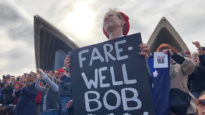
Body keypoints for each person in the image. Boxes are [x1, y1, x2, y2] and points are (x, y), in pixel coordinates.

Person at [64, 9, 150, 109]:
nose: (106, 18)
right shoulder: (93, 55)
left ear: (122, 22)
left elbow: (146, 82)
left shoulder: (136, 47)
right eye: (105, 18)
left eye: (110, 15)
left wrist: (144, 62)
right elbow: (91, 83)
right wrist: (74, 70)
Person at [156, 43, 196, 115]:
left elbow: (191, 65)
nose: (164, 52)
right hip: (164, 106)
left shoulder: (180, 64)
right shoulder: (155, 69)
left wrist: (174, 56)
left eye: (167, 49)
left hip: (182, 104)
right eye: (160, 51)